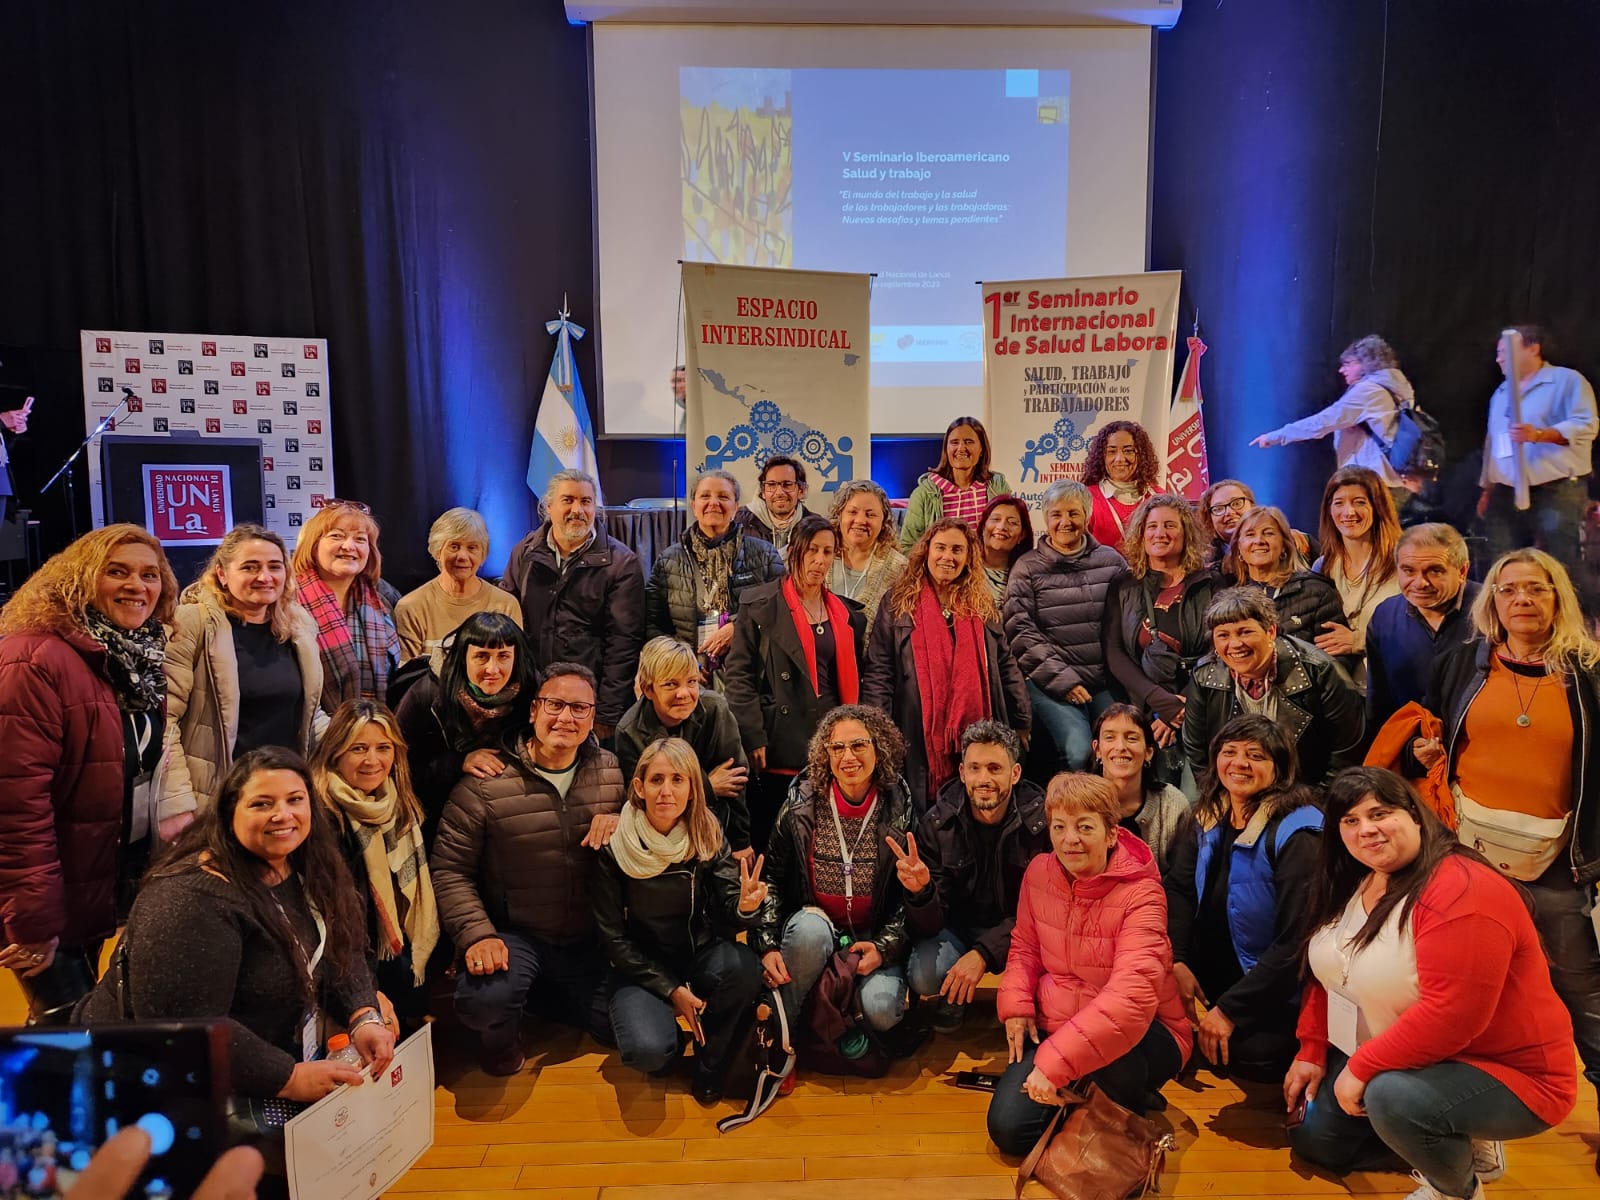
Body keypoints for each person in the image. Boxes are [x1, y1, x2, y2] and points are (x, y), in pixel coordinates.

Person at [1288, 767, 1578, 1200]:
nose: (1366, 830)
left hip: (1501, 1069)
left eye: (1380, 814)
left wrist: (1361, 1068)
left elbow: (1451, 1017)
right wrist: (1311, 1048)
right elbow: (1329, 968)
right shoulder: (1359, 874)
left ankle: (1456, 1188)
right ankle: (1449, 1131)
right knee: (1317, 1140)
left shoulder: (1463, 889)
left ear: (1414, 813)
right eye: (1350, 820)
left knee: (1392, 1100)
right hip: (1396, 1048)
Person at [1409, 549, 1600, 1136]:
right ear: (1491, 600)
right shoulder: (1463, 663)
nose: (1522, 599)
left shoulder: (1589, 673)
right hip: (1468, 856)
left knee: (1584, 991)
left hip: (1558, 862)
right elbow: (1441, 735)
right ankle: (1467, 1118)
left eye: (1536, 588)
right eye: (1509, 588)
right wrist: (1427, 752)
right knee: (1467, 986)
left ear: (1558, 598)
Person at [83, 748, 396, 1103]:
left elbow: (340, 946)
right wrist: (286, 1077)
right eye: (262, 804)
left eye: (295, 799)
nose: (283, 815)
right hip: (138, 1088)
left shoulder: (306, 863)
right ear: (230, 811)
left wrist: (362, 1014)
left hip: (246, 1070)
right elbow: (185, 1026)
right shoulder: (187, 900)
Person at [0, 525, 178, 1022]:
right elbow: (14, 805)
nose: (136, 586)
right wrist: (33, 918)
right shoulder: (32, 658)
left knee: (83, 1026)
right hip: (45, 894)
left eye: (149, 574)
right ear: (78, 580)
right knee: (71, 1034)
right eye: (116, 572)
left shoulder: (135, 657)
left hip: (99, 881)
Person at [431, 663, 623, 1074]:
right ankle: (501, 1039)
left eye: (579, 708)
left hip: (586, 939)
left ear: (593, 718)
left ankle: (540, 997)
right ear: (534, 710)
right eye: (555, 704)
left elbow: (642, 830)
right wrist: (477, 935)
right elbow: (449, 869)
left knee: (622, 1026)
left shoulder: (610, 770)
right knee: (484, 1002)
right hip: (516, 935)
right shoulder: (487, 780)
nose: (566, 717)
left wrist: (623, 821)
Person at [987, 773, 1192, 1157]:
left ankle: (1113, 1096)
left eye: (1084, 827)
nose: (1070, 839)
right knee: (1008, 1130)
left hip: (1144, 1030)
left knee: (1116, 1072)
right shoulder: (1039, 873)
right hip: (1059, 1019)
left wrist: (1052, 1065)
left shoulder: (1143, 893)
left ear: (1111, 833)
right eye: (1059, 827)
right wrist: (1016, 1005)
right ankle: (1092, 1095)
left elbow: (1129, 1001)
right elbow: (1025, 947)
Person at [594, 738, 765, 1104]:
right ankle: (666, 1039)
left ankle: (710, 1063)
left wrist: (745, 907)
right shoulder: (614, 845)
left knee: (745, 968)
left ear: (692, 788)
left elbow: (728, 906)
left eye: (677, 780)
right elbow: (613, 940)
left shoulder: (707, 832)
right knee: (649, 1052)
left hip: (697, 951)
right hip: (640, 965)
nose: (666, 791)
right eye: (656, 780)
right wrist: (671, 990)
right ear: (639, 787)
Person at [1166, 714, 1322, 1081]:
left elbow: (1297, 942)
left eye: (1255, 755)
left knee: (1248, 1057)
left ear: (1280, 768)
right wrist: (1177, 960)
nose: (1239, 763)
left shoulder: (1299, 831)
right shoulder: (1206, 815)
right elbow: (1178, 889)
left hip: (1271, 984)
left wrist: (1230, 1011)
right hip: (1211, 971)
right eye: (1230, 752)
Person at [753, 705, 914, 1037]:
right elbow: (772, 879)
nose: (847, 756)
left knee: (882, 1011)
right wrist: (767, 945)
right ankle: (783, 1035)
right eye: (837, 747)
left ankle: (834, 1010)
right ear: (824, 754)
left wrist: (884, 948)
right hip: (815, 929)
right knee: (810, 930)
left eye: (859, 745)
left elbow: (909, 899)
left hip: (873, 936)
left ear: (879, 747)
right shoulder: (800, 805)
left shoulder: (900, 807)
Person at [160, 525, 323, 839]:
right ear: (222, 574)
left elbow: (309, 712)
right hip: (217, 802)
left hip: (282, 799)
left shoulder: (299, 624)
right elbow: (166, 719)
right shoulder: (191, 622)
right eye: (250, 567)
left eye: (274, 567)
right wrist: (176, 804)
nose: (264, 577)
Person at [723, 515, 866, 852]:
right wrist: (753, 733)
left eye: (827, 552)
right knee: (773, 839)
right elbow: (739, 676)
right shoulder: (759, 605)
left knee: (821, 842)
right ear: (794, 552)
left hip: (830, 738)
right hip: (778, 739)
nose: (819, 560)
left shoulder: (847, 614)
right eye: (811, 550)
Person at [864, 518, 1029, 809]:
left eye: (957, 550)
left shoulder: (982, 603)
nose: (947, 557)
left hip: (978, 729)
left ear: (968, 557)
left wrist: (1022, 719)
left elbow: (1005, 663)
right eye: (940, 548)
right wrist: (880, 732)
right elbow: (880, 672)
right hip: (913, 729)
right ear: (926, 551)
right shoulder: (897, 602)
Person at [899, 721, 1048, 1033]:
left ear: (1015, 774)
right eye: (975, 768)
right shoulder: (936, 824)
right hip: (959, 929)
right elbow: (930, 925)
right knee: (924, 974)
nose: (984, 779)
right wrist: (922, 892)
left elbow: (1042, 912)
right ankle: (955, 993)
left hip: (1025, 932)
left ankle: (1034, 1001)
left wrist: (983, 953)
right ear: (962, 773)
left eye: (995, 768)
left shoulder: (1043, 824)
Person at [310, 699, 444, 1032]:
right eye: (359, 748)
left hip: (380, 939)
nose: (373, 760)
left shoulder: (394, 800)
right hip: (339, 956)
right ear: (335, 752)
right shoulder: (322, 817)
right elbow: (335, 921)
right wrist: (366, 992)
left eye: (383, 748)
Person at [500, 470, 645, 737]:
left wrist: (607, 713)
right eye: (568, 500)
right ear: (548, 507)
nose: (577, 510)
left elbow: (624, 644)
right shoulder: (524, 553)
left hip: (587, 703)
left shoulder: (622, 563)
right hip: (531, 698)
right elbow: (507, 626)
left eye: (586, 501)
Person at [1005, 480, 1128, 773]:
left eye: (1073, 513)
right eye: (1056, 514)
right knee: (1079, 752)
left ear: (1087, 516)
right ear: (1045, 519)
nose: (1065, 522)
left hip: (1104, 682)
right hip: (1049, 683)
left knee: (1120, 746)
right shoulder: (1027, 567)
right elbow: (1020, 630)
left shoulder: (1112, 562)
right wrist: (1065, 681)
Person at [1184, 588, 1365, 786]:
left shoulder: (1320, 671)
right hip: (1234, 790)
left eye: (1245, 632)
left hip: (1306, 791)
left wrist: (1313, 802)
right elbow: (1197, 751)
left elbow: (1346, 754)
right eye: (1223, 635)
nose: (1234, 644)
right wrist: (1219, 797)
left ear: (1271, 631)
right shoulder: (1204, 676)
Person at [1477, 325, 1599, 616]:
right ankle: (1509, 620)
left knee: (1561, 559)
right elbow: (1494, 443)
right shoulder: (1501, 393)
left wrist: (1540, 434)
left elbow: (1586, 425)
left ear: (1533, 348)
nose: (1498, 359)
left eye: (1504, 352)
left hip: (1556, 486)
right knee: (1503, 556)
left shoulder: (1566, 381)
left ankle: (1576, 623)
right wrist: (1487, 488)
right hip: (1506, 489)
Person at [1102, 494, 1221, 782]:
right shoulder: (1123, 585)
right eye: (1152, 526)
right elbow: (1114, 652)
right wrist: (1160, 701)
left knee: (1194, 797)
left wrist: (1184, 705)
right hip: (1144, 708)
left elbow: (1220, 650)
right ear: (1141, 534)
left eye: (1170, 525)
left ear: (1186, 532)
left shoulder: (1212, 583)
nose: (1160, 533)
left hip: (1203, 705)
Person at [391, 611, 536, 845]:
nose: (493, 669)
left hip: (507, 818)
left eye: (503, 656)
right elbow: (397, 767)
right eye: (481, 656)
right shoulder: (426, 695)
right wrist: (458, 763)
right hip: (435, 818)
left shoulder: (532, 692)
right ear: (462, 657)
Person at [644, 470, 784, 684]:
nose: (714, 503)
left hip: (750, 676)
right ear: (693, 505)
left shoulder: (764, 555)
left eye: (723, 496)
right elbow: (653, 625)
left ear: (736, 507)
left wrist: (738, 626)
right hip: (687, 678)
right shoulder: (668, 560)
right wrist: (681, 662)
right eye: (705, 496)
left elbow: (781, 610)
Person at [617, 636, 751, 858]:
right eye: (670, 684)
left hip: (717, 828)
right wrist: (708, 786)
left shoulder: (715, 709)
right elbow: (642, 799)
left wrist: (741, 844)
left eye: (691, 682)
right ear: (648, 689)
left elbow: (736, 782)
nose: (684, 694)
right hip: (660, 837)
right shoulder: (629, 731)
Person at [1250, 334, 1415, 512]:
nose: (1342, 370)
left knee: (1367, 530)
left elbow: (1322, 423)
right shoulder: (1396, 389)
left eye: (1348, 363)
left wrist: (1275, 436)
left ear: (1367, 363)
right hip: (1395, 481)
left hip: (1375, 482)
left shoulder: (1368, 391)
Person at [1365, 523, 1479, 730]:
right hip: (1410, 741)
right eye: (1409, 571)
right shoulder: (1384, 615)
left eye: (1434, 571)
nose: (1420, 583)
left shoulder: (1493, 611)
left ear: (1462, 571)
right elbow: (1379, 701)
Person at [291, 500, 400, 711]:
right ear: (313, 545)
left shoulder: (382, 605)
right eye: (337, 536)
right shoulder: (287, 603)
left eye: (360, 539)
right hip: (305, 726)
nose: (349, 546)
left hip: (371, 724)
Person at [1313, 466, 1404, 693]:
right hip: (1338, 695)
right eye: (1339, 503)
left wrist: (1359, 641)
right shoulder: (1322, 567)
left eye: (1359, 502)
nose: (1349, 512)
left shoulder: (1402, 564)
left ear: (1378, 507)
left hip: (1392, 690)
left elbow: (1423, 631)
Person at [393, 507, 521, 662]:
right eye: (454, 546)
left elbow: (514, 667)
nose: (462, 556)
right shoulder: (411, 608)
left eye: (472, 547)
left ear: (483, 555)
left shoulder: (506, 605)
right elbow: (409, 674)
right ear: (437, 551)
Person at [1092, 704, 1192, 873]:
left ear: (1149, 752)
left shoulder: (1173, 804)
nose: (1120, 747)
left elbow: (1181, 876)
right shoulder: (1074, 801)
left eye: (1131, 738)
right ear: (1097, 750)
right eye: (1110, 738)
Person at [1224, 505, 1345, 643]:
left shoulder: (1317, 592)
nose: (1258, 541)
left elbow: (1333, 652)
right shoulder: (1228, 598)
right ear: (1239, 547)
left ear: (1284, 545)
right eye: (1250, 534)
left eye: (1268, 533)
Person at [900, 416, 1012, 551]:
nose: (961, 448)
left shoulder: (998, 488)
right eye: (954, 442)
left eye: (969, 442)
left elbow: (1011, 537)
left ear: (982, 449)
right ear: (946, 449)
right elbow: (907, 547)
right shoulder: (924, 494)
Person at [826, 479, 907, 626]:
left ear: (884, 522)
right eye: (853, 512)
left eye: (870, 515)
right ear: (839, 515)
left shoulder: (899, 568)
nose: (860, 520)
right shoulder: (819, 555)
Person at [1082, 419, 1161, 552]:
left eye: (1128, 451)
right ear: (1102, 457)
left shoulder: (1159, 497)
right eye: (1112, 452)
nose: (1120, 459)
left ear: (1141, 456)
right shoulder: (1086, 499)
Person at [1199, 479, 1316, 568]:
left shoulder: (1298, 541)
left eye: (1236, 503)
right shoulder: (1203, 561)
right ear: (1210, 519)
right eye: (1218, 509)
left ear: (1253, 506)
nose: (1229, 512)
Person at [733, 454, 814, 549]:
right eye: (771, 485)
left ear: (801, 491)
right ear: (763, 491)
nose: (779, 492)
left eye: (787, 485)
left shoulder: (814, 526)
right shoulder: (738, 522)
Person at [976, 494, 1034, 604]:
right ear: (983, 527)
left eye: (1012, 523)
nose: (1002, 527)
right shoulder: (964, 570)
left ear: (1022, 535)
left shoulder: (1029, 577)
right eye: (995, 519)